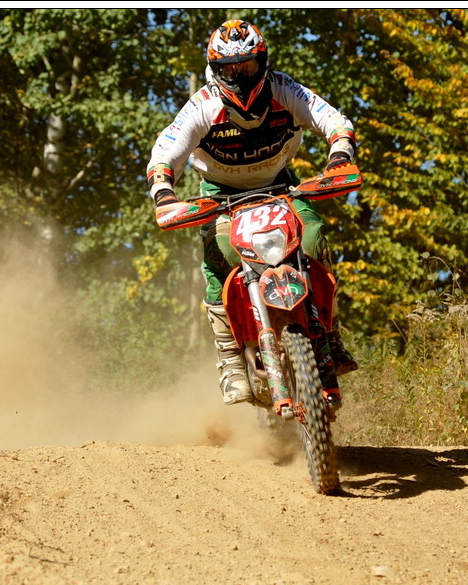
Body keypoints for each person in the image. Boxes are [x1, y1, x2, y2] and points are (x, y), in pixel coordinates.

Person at [146, 18, 359, 405]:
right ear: (215, 69)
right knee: (218, 254)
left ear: (263, 62)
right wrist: (164, 194)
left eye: (247, 66)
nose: (240, 76)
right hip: (220, 194)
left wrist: (339, 156)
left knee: (313, 235)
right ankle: (230, 358)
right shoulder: (203, 105)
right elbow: (166, 151)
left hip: (280, 184)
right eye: (230, 69)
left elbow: (333, 120)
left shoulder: (285, 89)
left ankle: (330, 334)